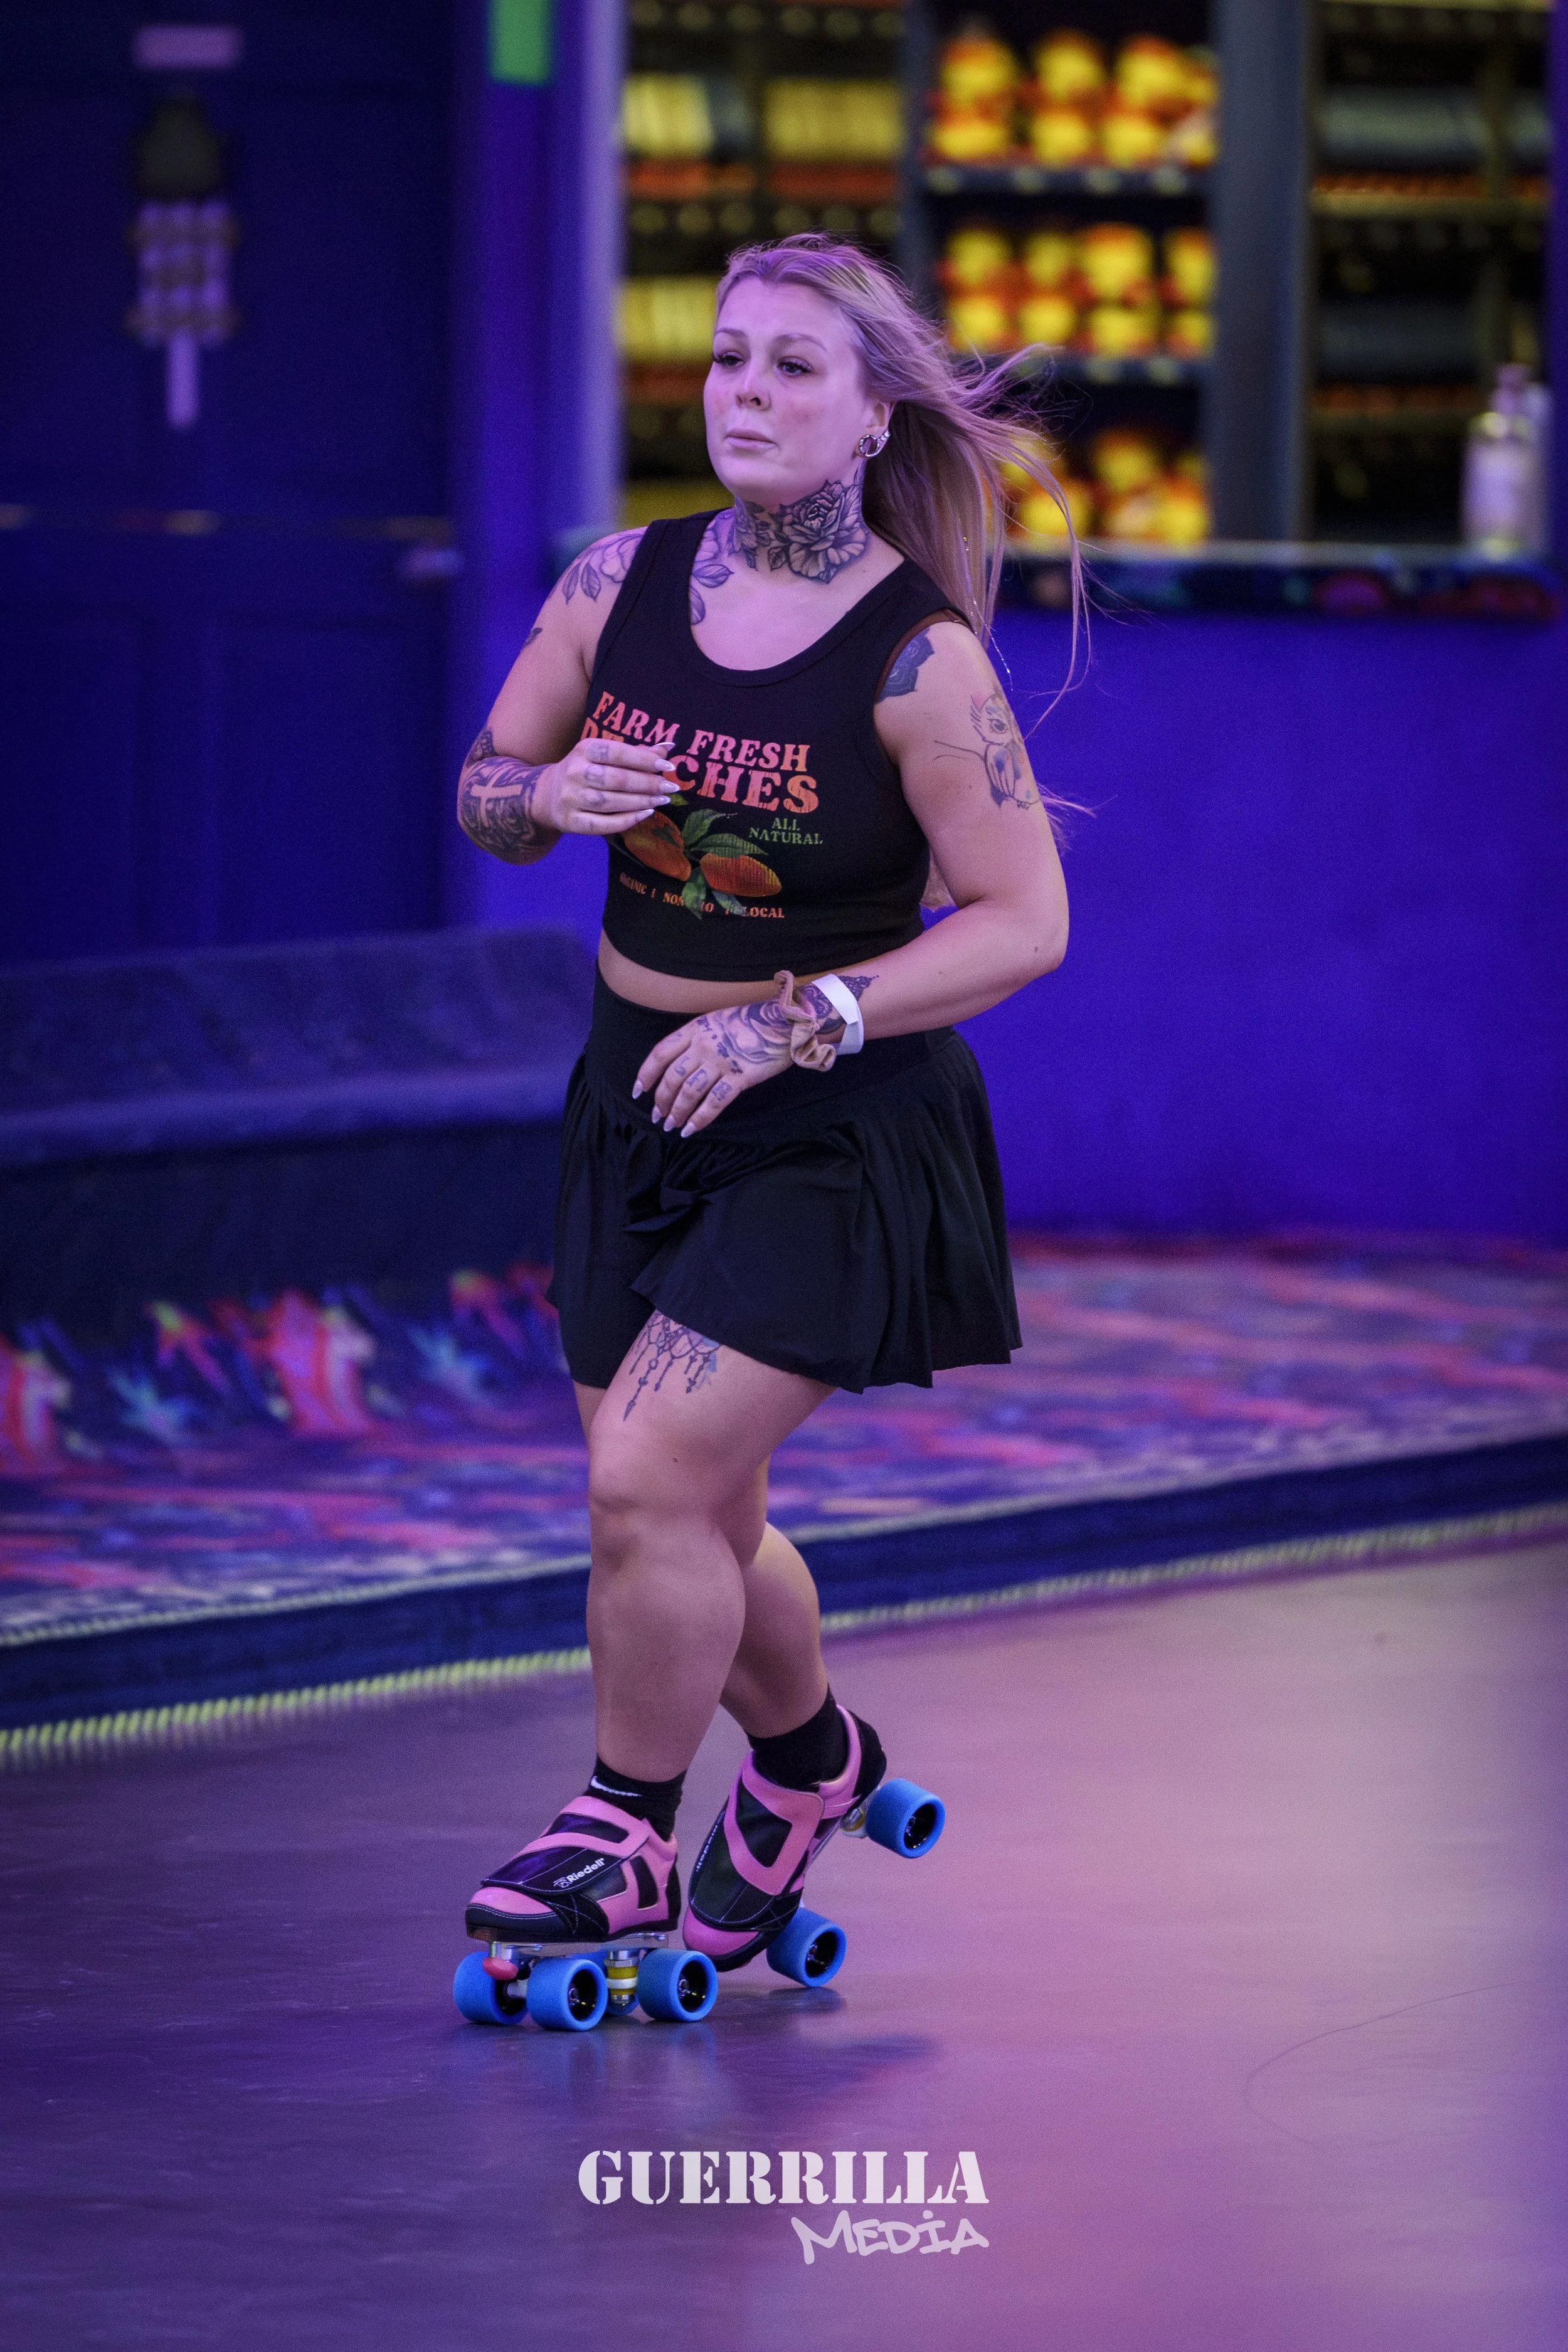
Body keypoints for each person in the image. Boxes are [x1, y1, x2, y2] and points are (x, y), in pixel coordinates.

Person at [455, 234, 1072, 1976]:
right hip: (631, 1095)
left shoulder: (916, 661)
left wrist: (808, 1015)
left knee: (644, 1477)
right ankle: (811, 1769)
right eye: (728, 359)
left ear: (872, 415)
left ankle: (622, 1838)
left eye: (793, 366)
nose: (745, 391)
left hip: (831, 1127)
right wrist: (547, 789)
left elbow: (1028, 919)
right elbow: (485, 789)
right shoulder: (615, 584)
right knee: (687, 1510)